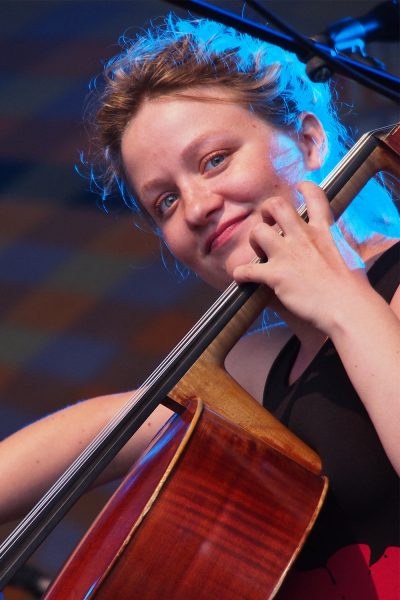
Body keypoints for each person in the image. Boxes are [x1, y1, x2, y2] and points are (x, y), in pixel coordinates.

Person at [0, 14, 399, 598]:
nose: (195, 207)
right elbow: (94, 430)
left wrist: (341, 299)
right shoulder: (254, 371)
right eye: (164, 201)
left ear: (310, 141)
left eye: (214, 160)